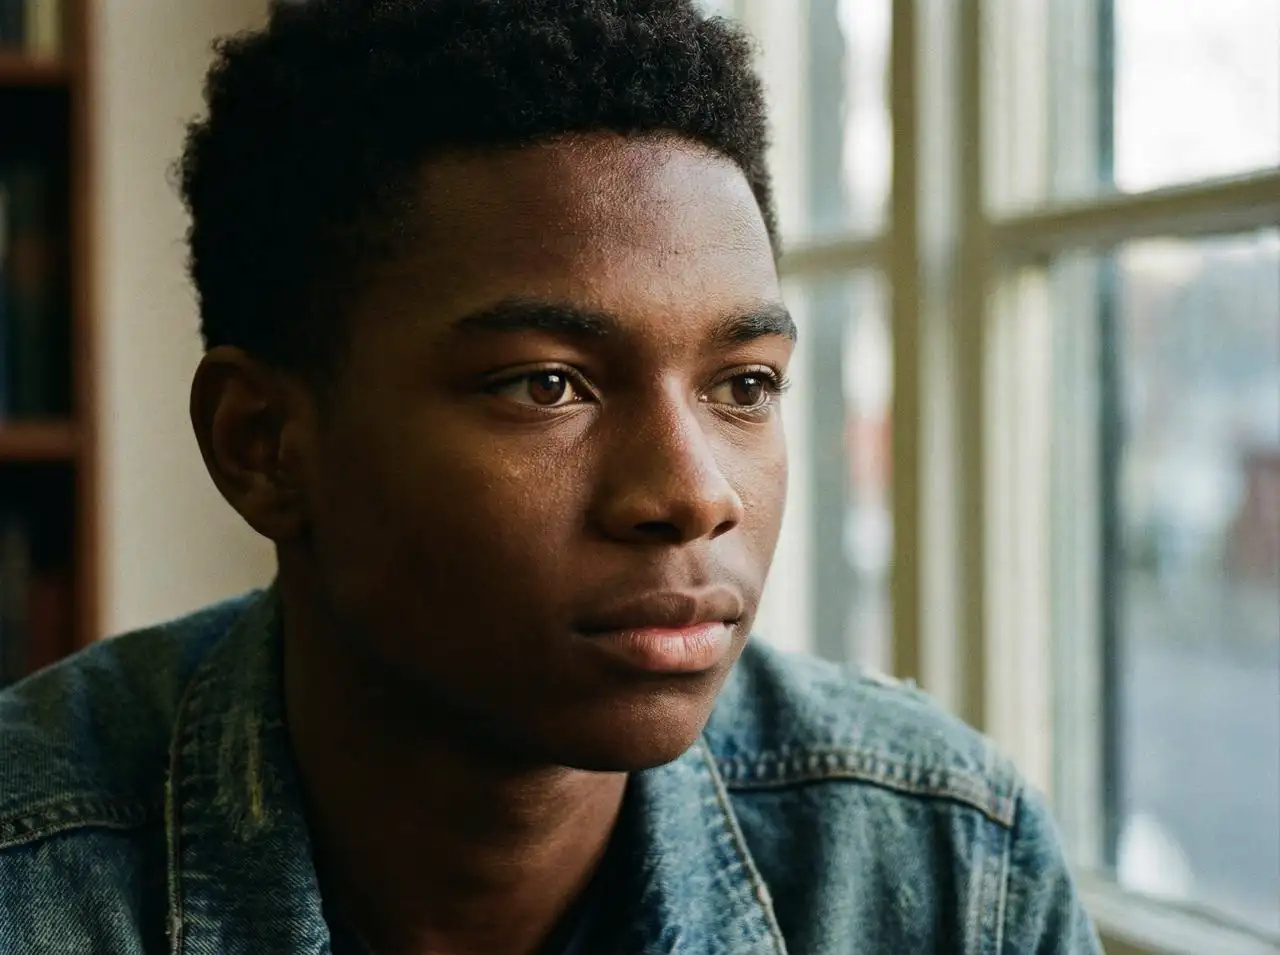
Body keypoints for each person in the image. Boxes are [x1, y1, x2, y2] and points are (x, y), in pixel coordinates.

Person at [0, 2, 1103, 952]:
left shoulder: (946, 863)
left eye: (744, 384)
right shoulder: (30, 874)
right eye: (546, 385)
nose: (694, 495)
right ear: (263, 445)